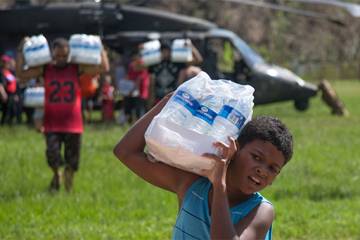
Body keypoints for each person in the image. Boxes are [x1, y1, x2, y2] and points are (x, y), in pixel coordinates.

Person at [114, 94, 293, 239]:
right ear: (235, 149)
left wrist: (219, 185)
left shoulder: (261, 211)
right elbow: (125, 152)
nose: (262, 170)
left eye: (273, 169)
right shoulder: (192, 185)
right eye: (256, 157)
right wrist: (169, 101)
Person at [16, 37, 109, 192]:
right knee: (52, 156)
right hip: (52, 123)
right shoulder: (45, 69)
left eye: (64, 56)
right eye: (58, 56)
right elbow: (21, 74)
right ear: (52, 53)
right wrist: (20, 51)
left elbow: (103, 67)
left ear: (69, 54)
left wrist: (100, 46)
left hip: (73, 124)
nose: (61, 59)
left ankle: (69, 187)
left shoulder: (77, 68)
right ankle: (56, 174)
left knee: (72, 161)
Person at [148, 40, 202, 105]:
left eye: (167, 50)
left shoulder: (177, 61)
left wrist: (191, 46)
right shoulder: (155, 63)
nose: (165, 53)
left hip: (173, 96)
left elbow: (198, 60)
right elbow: (139, 69)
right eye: (163, 50)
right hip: (158, 96)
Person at [125, 50, 150, 123]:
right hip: (132, 90)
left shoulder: (143, 64)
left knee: (140, 107)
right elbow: (129, 76)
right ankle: (131, 120)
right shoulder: (131, 65)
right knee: (131, 106)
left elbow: (140, 78)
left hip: (141, 90)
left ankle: (141, 122)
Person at [0, 54, 21, 125]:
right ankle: (4, 124)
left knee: (12, 110)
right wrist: (3, 94)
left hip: (12, 94)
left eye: (8, 62)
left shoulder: (10, 72)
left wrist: (15, 94)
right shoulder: (1, 72)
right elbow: (1, 84)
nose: (7, 63)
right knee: (6, 111)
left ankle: (9, 124)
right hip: (6, 94)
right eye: (5, 62)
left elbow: (14, 83)